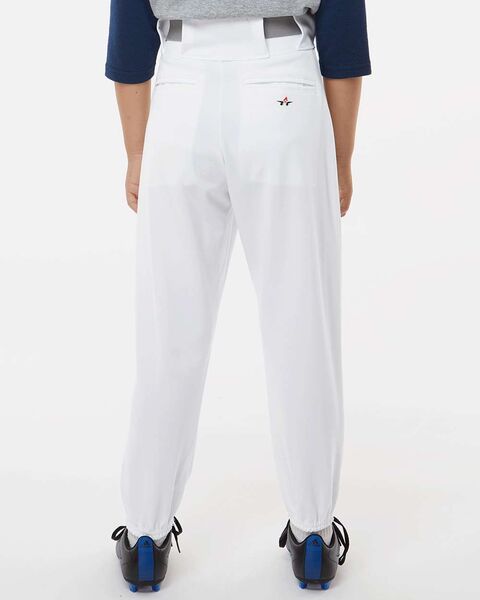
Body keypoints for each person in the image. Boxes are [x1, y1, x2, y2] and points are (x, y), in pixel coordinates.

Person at [105, 0, 371, 592]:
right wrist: (341, 156)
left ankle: (145, 536)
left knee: (169, 334)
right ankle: (313, 535)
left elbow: (128, 27)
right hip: (283, 86)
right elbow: (344, 29)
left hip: (180, 86)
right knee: (301, 326)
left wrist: (137, 151)